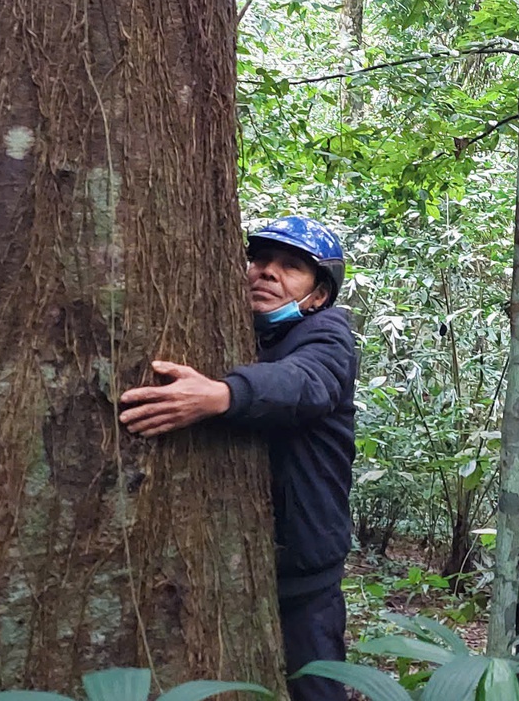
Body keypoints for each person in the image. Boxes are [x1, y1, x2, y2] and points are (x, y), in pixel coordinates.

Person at [118, 216, 356, 699]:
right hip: (238, 560)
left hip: (305, 570)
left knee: (315, 689)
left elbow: (307, 384)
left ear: (318, 296)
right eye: (261, 259)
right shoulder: (238, 332)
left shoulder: (328, 335)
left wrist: (222, 395)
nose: (267, 272)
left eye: (291, 267)